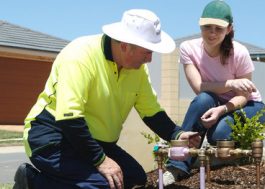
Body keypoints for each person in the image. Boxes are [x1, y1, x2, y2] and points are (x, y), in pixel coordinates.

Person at [13, 9, 200, 189]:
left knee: (134, 178)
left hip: (92, 140)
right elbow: (69, 118)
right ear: (125, 46)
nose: (150, 59)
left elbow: (151, 111)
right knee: (103, 184)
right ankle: (32, 182)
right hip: (52, 135)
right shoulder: (80, 55)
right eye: (147, 52)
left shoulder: (137, 71)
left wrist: (177, 134)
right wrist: (100, 160)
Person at [162, 0, 265, 186]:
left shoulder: (239, 53)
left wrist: (221, 110)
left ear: (229, 29)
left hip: (248, 106)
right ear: (200, 25)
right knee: (202, 100)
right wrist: (231, 83)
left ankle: (228, 156)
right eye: (207, 27)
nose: (212, 33)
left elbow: (244, 95)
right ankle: (177, 165)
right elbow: (199, 87)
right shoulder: (188, 48)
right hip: (214, 100)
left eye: (218, 28)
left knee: (218, 134)